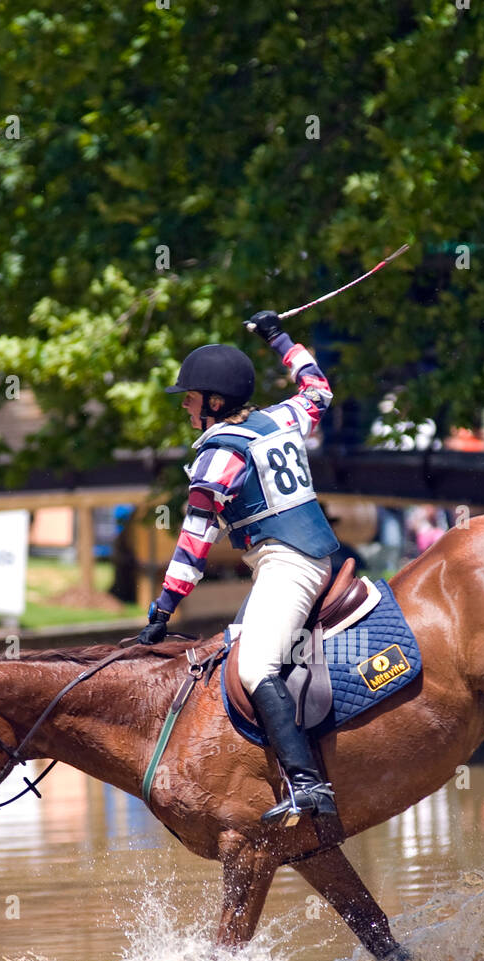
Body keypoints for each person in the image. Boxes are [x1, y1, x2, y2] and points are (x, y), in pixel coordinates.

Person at [135, 311, 340, 825]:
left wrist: (162, 611)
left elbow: (193, 546)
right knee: (235, 647)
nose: (184, 404)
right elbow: (317, 386)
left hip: (287, 564)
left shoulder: (216, 459)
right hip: (309, 557)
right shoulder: (283, 417)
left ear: (216, 403)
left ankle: (309, 786)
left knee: (253, 667)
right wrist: (280, 338)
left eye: (190, 396)